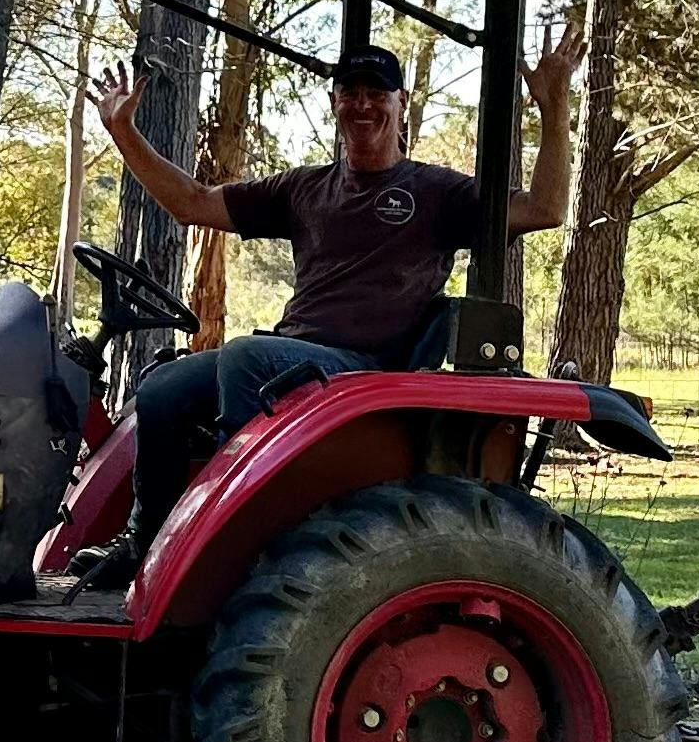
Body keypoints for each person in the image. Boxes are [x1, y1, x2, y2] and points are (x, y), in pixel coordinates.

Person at [78, 31, 581, 583]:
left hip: (363, 369)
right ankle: (144, 542)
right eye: (351, 92)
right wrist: (122, 131)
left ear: (399, 102)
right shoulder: (304, 189)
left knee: (246, 357)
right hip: (296, 354)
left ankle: (232, 540)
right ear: (336, 102)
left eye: (377, 92)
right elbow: (192, 203)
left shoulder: (435, 192)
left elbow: (543, 209)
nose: (363, 104)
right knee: (162, 388)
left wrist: (554, 109)